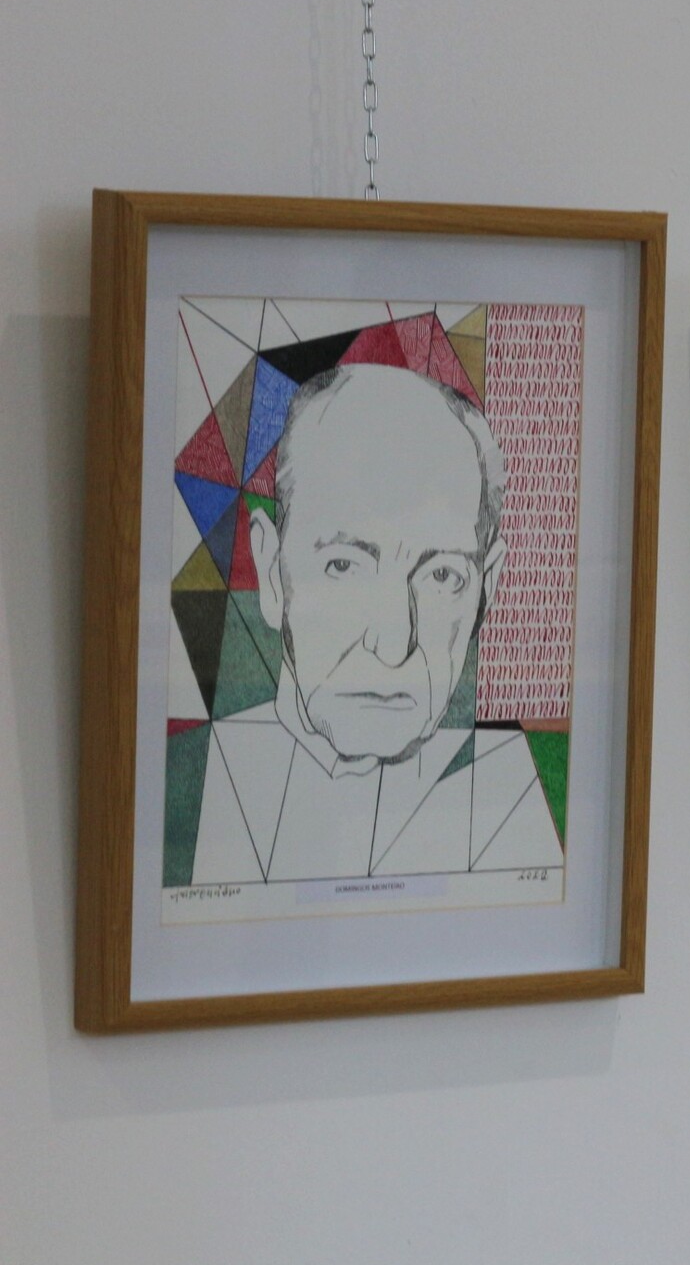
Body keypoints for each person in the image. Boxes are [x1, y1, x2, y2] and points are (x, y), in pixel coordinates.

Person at [186, 364, 563, 885]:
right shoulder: (188, 783)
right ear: (272, 573)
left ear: (487, 589)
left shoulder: (513, 795)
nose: (392, 643)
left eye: (442, 575)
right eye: (343, 565)